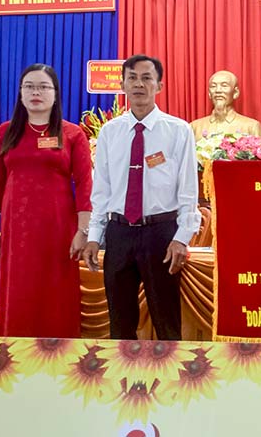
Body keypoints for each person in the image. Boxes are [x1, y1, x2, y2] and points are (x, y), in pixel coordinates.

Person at [82, 55, 200, 340]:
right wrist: (94, 236)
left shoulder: (178, 130)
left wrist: (182, 238)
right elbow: (102, 191)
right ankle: (124, 369)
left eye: (147, 78)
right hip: (119, 232)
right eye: (132, 78)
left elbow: (188, 190)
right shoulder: (110, 132)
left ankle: (171, 369)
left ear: (159, 85)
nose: (139, 84)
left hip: (161, 233)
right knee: (120, 324)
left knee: (167, 323)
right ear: (123, 84)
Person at [0, 64, 93, 338]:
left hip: (58, 232)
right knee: (19, 294)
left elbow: (85, 185)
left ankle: (60, 356)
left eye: (43, 87)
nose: (36, 92)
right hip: (16, 232)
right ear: (20, 93)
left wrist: (83, 231)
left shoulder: (72, 134)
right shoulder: (6, 132)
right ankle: (15, 355)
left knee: (56, 297)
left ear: (55, 94)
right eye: (29, 86)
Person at [189, 70, 261, 140]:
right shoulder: (194, 127)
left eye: (224, 86)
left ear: (235, 93)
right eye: (213, 86)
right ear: (209, 93)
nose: (218, 90)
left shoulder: (251, 126)